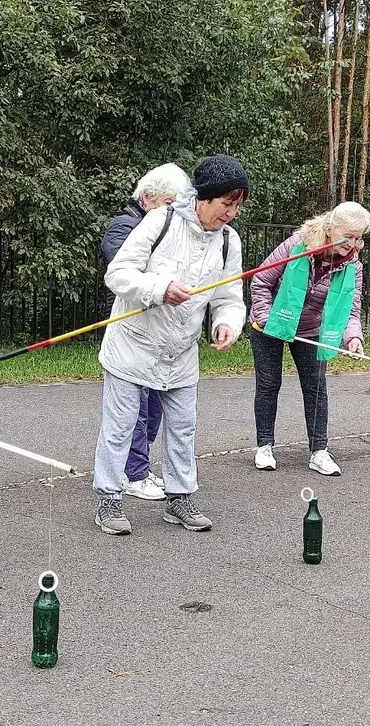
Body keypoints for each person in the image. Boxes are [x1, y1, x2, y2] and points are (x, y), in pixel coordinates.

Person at [92, 154, 249, 535]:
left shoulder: (229, 241)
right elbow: (119, 274)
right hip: (133, 345)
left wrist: (226, 324)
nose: (230, 213)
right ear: (204, 197)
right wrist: (158, 289)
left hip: (181, 351)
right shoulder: (160, 222)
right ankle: (109, 500)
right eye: (225, 204)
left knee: (183, 428)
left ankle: (179, 499)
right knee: (120, 426)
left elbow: (229, 297)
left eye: (236, 206)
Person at [247, 202, 370, 476]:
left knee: (316, 387)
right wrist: (269, 320)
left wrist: (352, 337)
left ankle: (319, 451)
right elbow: (260, 282)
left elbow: (351, 309)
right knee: (269, 383)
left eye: (358, 238)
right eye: (347, 236)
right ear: (330, 229)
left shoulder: (352, 266)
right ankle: (264, 446)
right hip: (270, 323)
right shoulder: (296, 246)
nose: (352, 244)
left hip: (310, 330)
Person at [99, 164, 191, 501]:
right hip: (132, 332)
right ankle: (133, 473)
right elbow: (124, 272)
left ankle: (135, 466)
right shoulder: (124, 227)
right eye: (170, 203)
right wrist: (160, 285)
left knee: (153, 407)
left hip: (163, 336)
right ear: (149, 199)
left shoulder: (173, 228)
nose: (176, 212)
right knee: (132, 409)